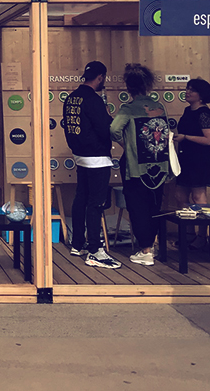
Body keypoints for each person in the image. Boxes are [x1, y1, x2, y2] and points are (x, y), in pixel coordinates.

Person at [111, 63, 170, 267]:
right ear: (148, 85)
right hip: (159, 166)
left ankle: (145, 250)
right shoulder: (160, 107)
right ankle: (149, 247)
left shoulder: (128, 108)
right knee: (154, 205)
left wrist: (127, 145)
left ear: (128, 87)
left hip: (135, 167)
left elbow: (114, 130)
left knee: (137, 207)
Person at [63, 60, 120, 269]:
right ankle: (95, 249)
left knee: (81, 198)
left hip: (79, 155)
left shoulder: (70, 99)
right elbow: (106, 128)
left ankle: (77, 243)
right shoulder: (93, 100)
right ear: (100, 77)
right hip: (97, 157)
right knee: (96, 203)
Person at [173, 78, 210, 247]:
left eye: (192, 90)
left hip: (200, 160)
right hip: (185, 158)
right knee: (180, 195)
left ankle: (202, 236)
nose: (188, 92)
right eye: (187, 89)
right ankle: (188, 232)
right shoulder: (187, 110)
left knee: (198, 196)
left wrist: (186, 137)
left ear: (201, 95)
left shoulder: (204, 113)